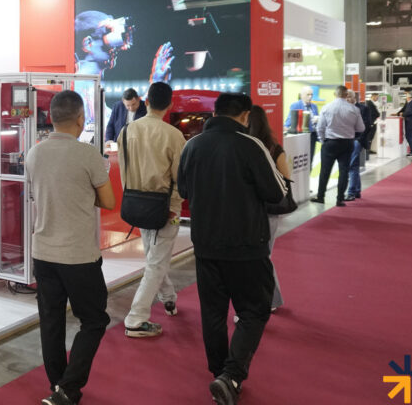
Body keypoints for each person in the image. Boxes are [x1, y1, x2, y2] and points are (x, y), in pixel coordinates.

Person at [177, 93, 286, 405]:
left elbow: (183, 189)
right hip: (246, 244)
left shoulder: (192, 145)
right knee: (255, 309)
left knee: (213, 313)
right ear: (245, 115)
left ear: (215, 113)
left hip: (205, 243)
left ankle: (220, 373)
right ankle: (232, 374)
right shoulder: (251, 145)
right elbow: (276, 192)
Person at [26, 90, 115, 405]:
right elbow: (108, 201)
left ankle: (58, 385)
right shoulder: (88, 154)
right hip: (78, 255)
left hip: (43, 252)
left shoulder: (34, 153)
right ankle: (68, 388)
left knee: (51, 322)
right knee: (94, 320)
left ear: (51, 118)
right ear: (80, 119)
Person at [117, 82, 184, 338]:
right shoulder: (173, 135)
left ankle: (168, 298)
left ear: (146, 102)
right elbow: (180, 177)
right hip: (165, 207)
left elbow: (123, 170)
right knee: (156, 262)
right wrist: (175, 204)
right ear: (170, 105)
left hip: (136, 203)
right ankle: (136, 318)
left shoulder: (127, 131)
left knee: (154, 257)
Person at [246, 105, 291, 312]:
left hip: (247, 210)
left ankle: (269, 300)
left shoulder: (242, 147)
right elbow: (286, 178)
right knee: (264, 256)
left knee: (255, 258)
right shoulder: (274, 148)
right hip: (269, 209)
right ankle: (270, 300)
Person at [311, 86, 364, 207]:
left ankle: (320, 197)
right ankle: (340, 199)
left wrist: (323, 140)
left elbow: (320, 127)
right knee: (344, 171)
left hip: (330, 143)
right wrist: (349, 130)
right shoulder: (354, 109)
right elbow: (361, 128)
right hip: (347, 143)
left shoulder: (327, 107)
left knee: (324, 171)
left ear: (335, 94)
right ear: (346, 95)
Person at [344, 90, 373, 201]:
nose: (347, 99)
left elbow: (367, 126)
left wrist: (359, 140)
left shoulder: (363, 108)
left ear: (354, 97)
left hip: (357, 140)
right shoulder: (344, 109)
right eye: (345, 97)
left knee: (351, 165)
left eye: (349, 97)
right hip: (347, 139)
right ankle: (356, 191)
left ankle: (351, 192)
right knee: (354, 165)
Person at [285, 86, 319, 163]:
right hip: (301, 136)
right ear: (302, 95)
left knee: (310, 159)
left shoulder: (314, 106)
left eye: (311, 94)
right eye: (308, 94)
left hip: (312, 136)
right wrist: (286, 127)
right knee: (302, 159)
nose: (310, 97)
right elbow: (289, 120)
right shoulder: (296, 105)